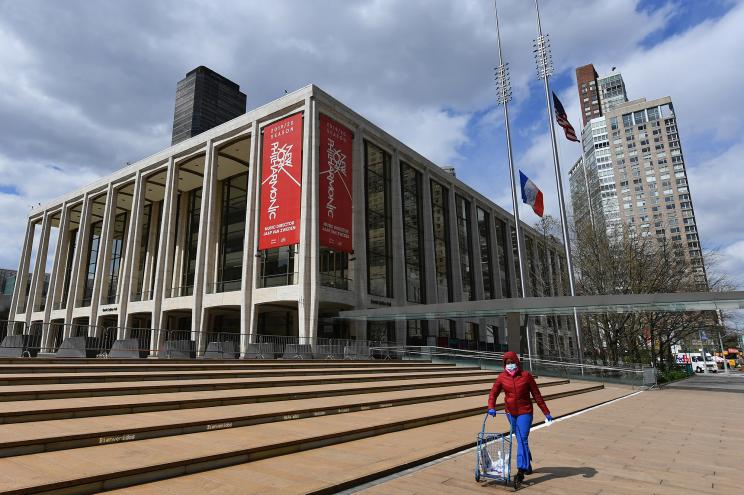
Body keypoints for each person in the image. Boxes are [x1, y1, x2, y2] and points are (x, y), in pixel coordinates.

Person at [487, 351, 552, 487]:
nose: (510, 365)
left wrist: (546, 412)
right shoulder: (501, 378)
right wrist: (491, 407)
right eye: (507, 363)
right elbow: (493, 393)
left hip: (525, 412)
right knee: (520, 438)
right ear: (504, 364)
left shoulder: (526, 376)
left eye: (512, 362)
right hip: (510, 413)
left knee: (522, 438)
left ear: (517, 362)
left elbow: (537, 395)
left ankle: (521, 470)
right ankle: (527, 465)